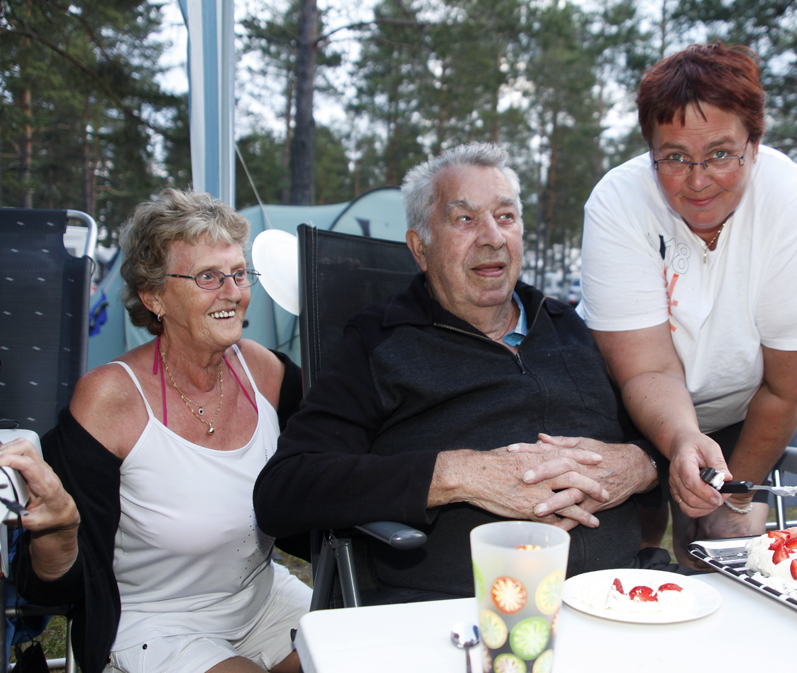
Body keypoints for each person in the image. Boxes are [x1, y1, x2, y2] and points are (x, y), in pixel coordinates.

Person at [254, 142, 668, 603]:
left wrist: (643, 466)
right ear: (420, 248)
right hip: (460, 613)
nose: (492, 237)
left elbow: (656, 442)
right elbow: (284, 491)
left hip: (618, 596)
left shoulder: (566, 326)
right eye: (465, 219)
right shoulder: (380, 341)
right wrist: (457, 475)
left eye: (506, 217)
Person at [0, 189, 310, 673]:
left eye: (237, 273)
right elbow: (52, 587)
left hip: (263, 602)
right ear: (154, 296)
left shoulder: (263, 372)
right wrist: (60, 529)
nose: (232, 291)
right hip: (157, 623)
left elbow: (328, 470)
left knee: (365, 646)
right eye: (208, 276)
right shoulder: (111, 400)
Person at [576, 43, 797, 565]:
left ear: (755, 141)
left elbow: (788, 385)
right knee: (627, 545)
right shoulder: (619, 202)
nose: (698, 181)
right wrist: (680, 442)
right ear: (650, 148)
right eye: (674, 157)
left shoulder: (796, 206)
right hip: (623, 401)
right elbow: (646, 367)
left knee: (718, 540)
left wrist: (733, 492)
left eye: (721, 154)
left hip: (747, 406)